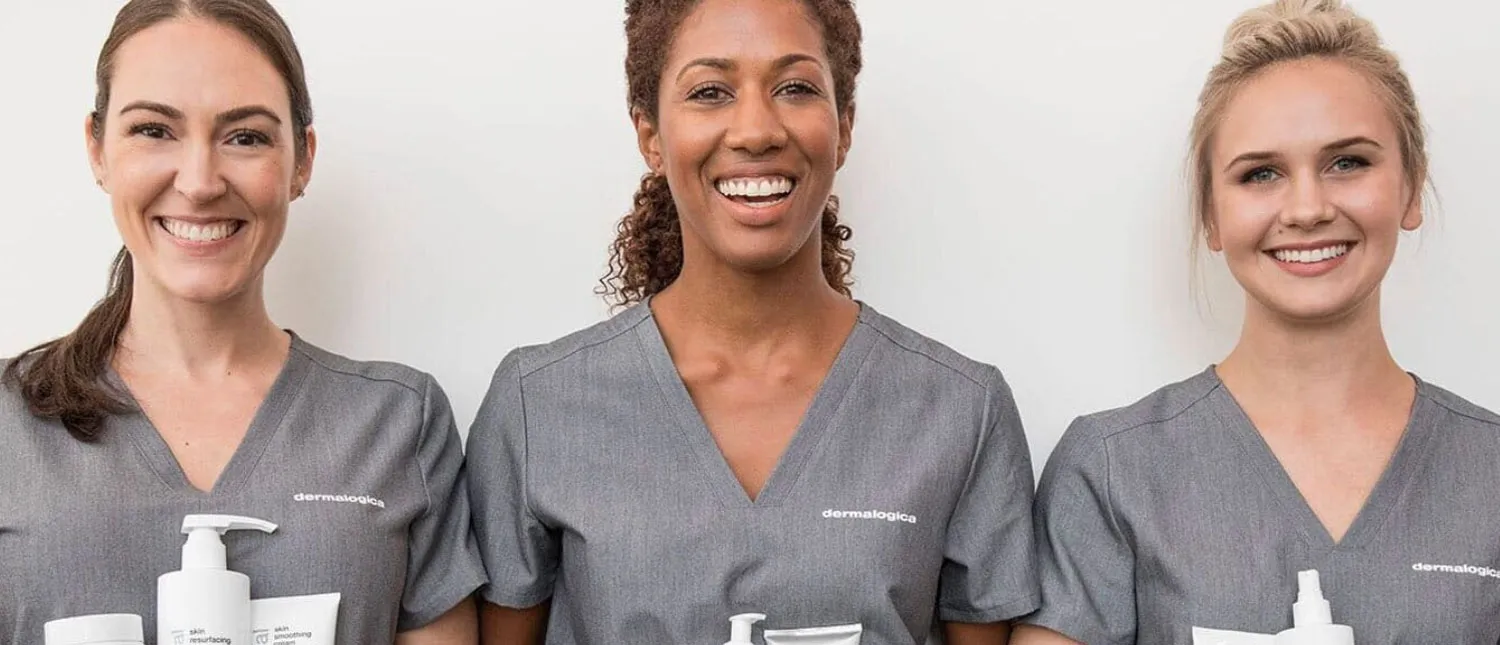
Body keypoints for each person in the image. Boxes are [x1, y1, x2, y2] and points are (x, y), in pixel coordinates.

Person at [465, 1, 1038, 643]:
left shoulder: (961, 411)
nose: (756, 130)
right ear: (651, 135)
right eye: (710, 92)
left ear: (844, 128)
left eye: (795, 88)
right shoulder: (538, 405)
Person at [1014, 1, 1500, 643]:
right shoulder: (1111, 469)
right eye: (1261, 174)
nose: (1307, 208)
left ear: (1410, 189)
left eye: (1347, 162)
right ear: (1211, 217)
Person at [0, 1, 485, 642]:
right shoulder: (9, 423)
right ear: (98, 149)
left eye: (246, 137)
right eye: (154, 130)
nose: (200, 182)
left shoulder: (397, 421)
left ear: (302, 160)